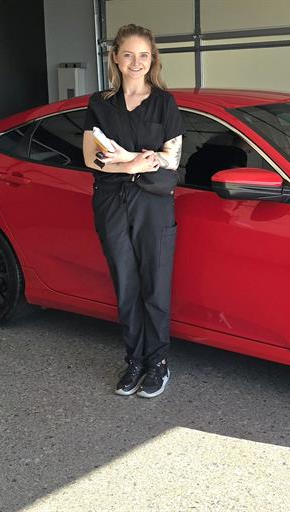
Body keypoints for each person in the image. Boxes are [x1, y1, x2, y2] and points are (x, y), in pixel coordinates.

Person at [82, 24, 184, 398]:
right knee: (126, 285)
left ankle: (158, 363)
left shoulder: (164, 103)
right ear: (115, 58)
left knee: (155, 286)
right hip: (111, 202)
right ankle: (135, 360)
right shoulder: (100, 103)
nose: (136, 62)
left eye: (144, 55)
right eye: (128, 54)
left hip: (153, 205)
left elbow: (172, 160)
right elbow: (92, 157)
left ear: (152, 59)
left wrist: (126, 160)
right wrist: (131, 163)